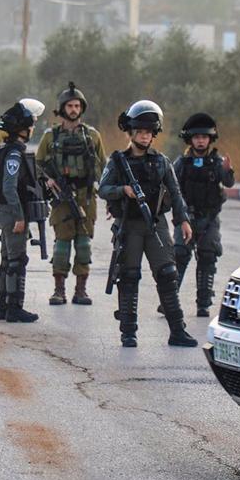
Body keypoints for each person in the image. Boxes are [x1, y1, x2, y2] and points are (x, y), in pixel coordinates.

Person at [98, 100, 198, 348]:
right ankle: (128, 333)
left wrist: (183, 220)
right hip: (128, 226)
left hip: (155, 224)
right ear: (131, 133)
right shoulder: (118, 161)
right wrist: (124, 190)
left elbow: (175, 194)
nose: (144, 136)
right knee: (129, 277)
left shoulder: (162, 162)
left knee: (167, 274)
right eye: (140, 132)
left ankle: (177, 331)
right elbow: (103, 189)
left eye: (148, 133)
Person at [36, 82, 106, 306]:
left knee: (84, 245)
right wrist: (48, 181)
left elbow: (104, 167)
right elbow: (36, 165)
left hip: (86, 196)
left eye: (77, 106)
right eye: (70, 105)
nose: (74, 109)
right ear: (62, 108)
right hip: (61, 199)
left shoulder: (93, 136)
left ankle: (81, 290)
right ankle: (59, 290)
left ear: (81, 108)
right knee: (62, 245)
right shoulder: (50, 137)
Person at [172, 113, 234, 317]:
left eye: (204, 137)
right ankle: (169, 301)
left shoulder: (216, 162)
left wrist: (228, 171)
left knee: (207, 257)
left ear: (210, 139)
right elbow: (171, 188)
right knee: (179, 256)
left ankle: (203, 303)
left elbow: (228, 183)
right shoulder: (181, 163)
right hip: (186, 218)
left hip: (209, 218)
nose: (200, 140)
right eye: (197, 137)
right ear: (190, 139)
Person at [0, 98, 46, 323]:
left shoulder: (10, 151)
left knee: (7, 259)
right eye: (30, 126)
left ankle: (4, 305)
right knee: (17, 260)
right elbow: (9, 186)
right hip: (12, 212)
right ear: (22, 130)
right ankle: (14, 307)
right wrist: (19, 216)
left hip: (4, 211)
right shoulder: (14, 154)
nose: (32, 129)